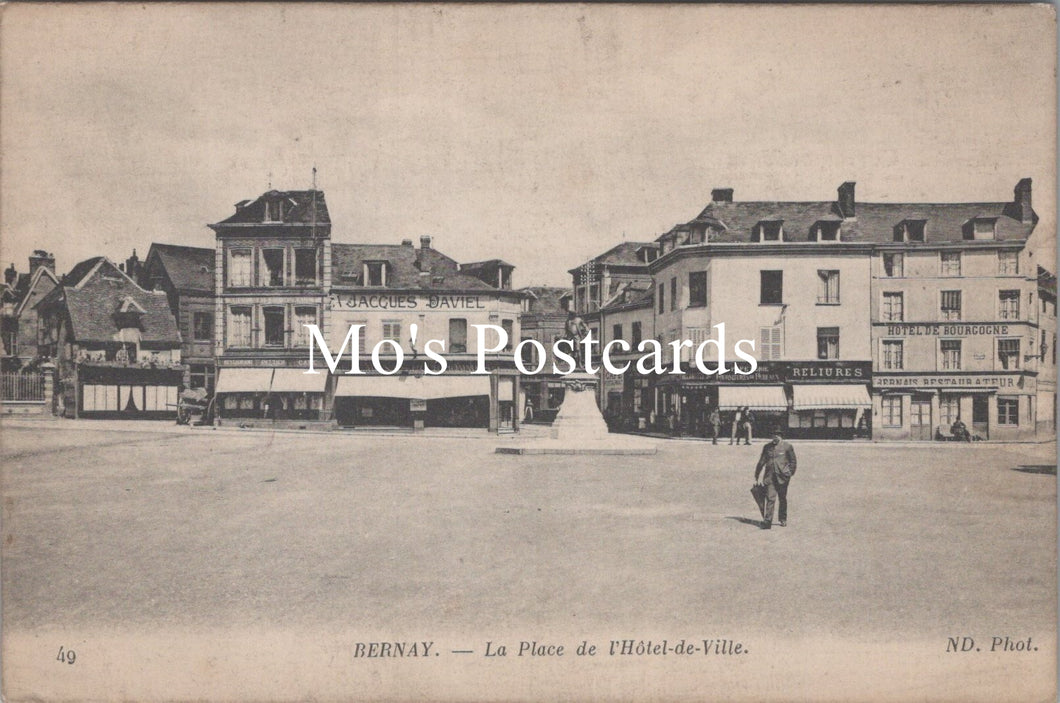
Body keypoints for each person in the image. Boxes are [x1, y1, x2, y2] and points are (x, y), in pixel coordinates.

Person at [754, 430, 797, 529]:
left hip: (783, 477)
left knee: (782, 498)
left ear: (781, 437)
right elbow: (761, 461)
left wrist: (790, 473)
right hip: (770, 477)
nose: (775, 437)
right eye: (773, 435)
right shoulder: (767, 447)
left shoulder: (787, 446)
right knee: (770, 498)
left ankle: (783, 519)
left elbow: (793, 461)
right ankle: (767, 521)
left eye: (777, 435)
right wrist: (757, 474)